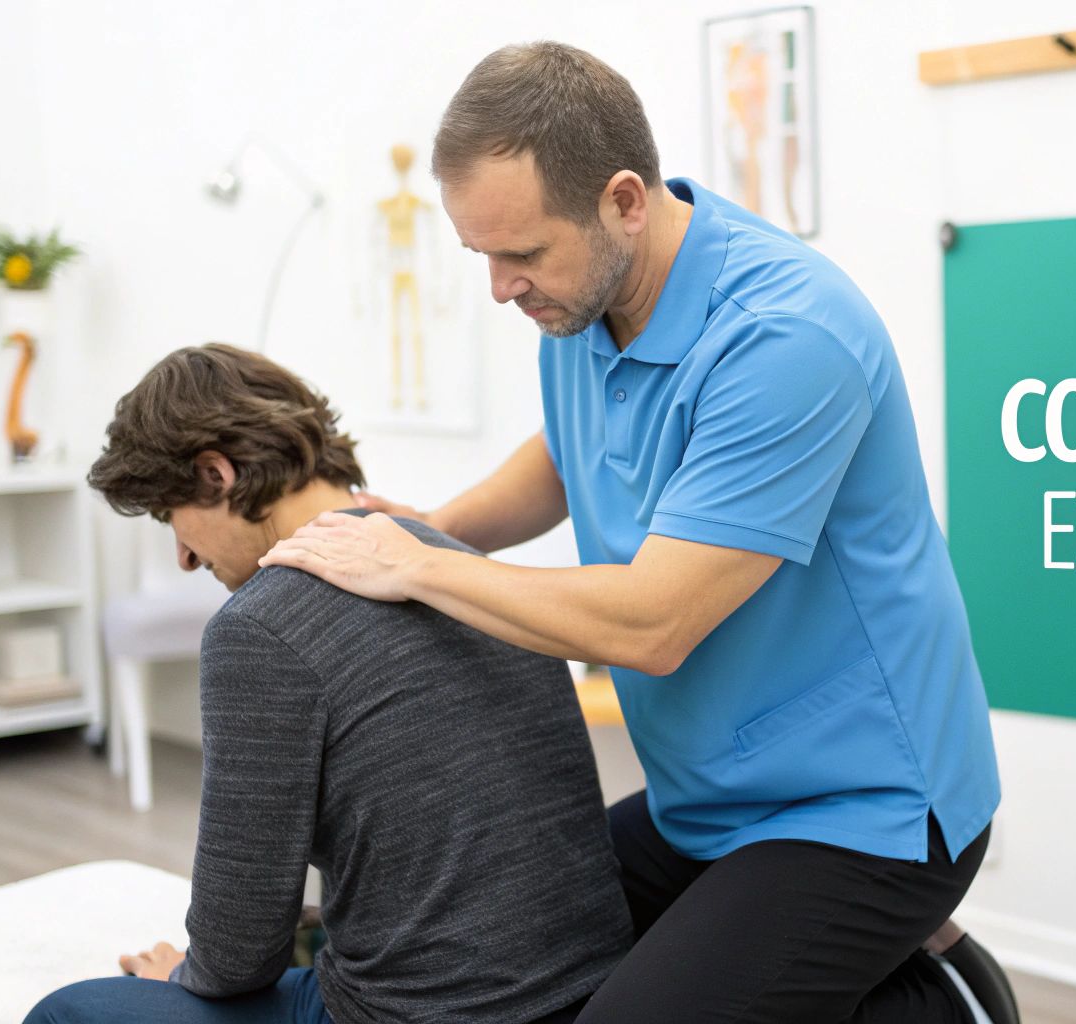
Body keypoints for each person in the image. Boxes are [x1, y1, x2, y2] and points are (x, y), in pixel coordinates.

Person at [261, 41, 1018, 1024]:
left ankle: (941, 995)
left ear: (622, 200)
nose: (500, 287)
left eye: (522, 254)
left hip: (863, 810)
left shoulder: (786, 336)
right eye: (481, 255)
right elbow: (567, 452)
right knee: (481, 945)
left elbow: (654, 623)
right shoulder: (586, 304)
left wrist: (419, 567)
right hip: (704, 801)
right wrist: (436, 527)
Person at [26, 344, 632, 1024]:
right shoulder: (473, 571)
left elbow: (235, 956)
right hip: (594, 990)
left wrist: (178, 977)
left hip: (427, 1014)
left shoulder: (260, 626)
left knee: (68, 1012)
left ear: (216, 474)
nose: (185, 557)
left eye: (172, 519)